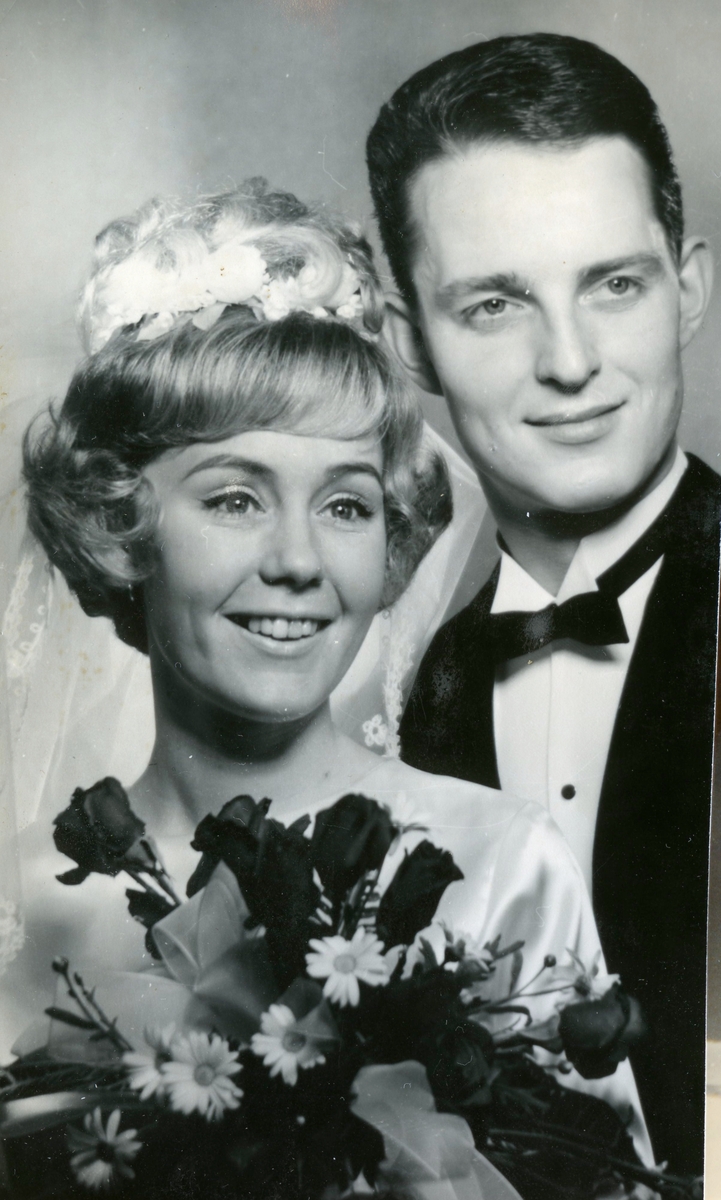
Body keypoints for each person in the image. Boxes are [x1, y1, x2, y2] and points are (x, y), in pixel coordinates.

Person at [4, 181, 650, 1167]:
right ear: (121, 526)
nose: (299, 562)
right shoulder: (17, 904)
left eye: (346, 506)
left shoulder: (502, 864)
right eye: (235, 499)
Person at [366, 32, 720, 1175]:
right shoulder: (404, 687)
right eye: (493, 305)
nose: (569, 361)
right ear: (411, 344)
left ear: (689, 290)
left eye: (614, 285)